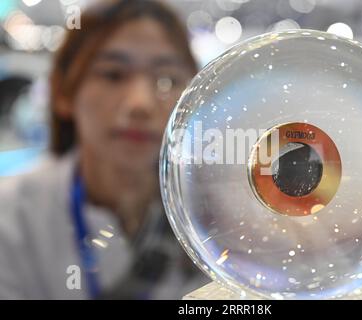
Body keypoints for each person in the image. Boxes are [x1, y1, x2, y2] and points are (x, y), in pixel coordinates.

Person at [0, 0, 208, 299]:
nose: (141, 103)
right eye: (113, 74)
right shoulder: (11, 220)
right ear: (64, 92)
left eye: (167, 79)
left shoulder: (218, 216)